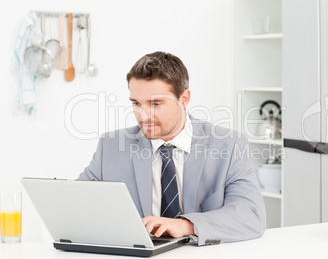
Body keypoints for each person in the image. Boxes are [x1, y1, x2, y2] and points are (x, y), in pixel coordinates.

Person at [78, 51, 266, 246]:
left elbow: (252, 217)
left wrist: (187, 226)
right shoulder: (111, 146)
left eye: (155, 103)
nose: (143, 116)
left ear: (184, 99)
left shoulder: (228, 144)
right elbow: (76, 204)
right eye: (136, 103)